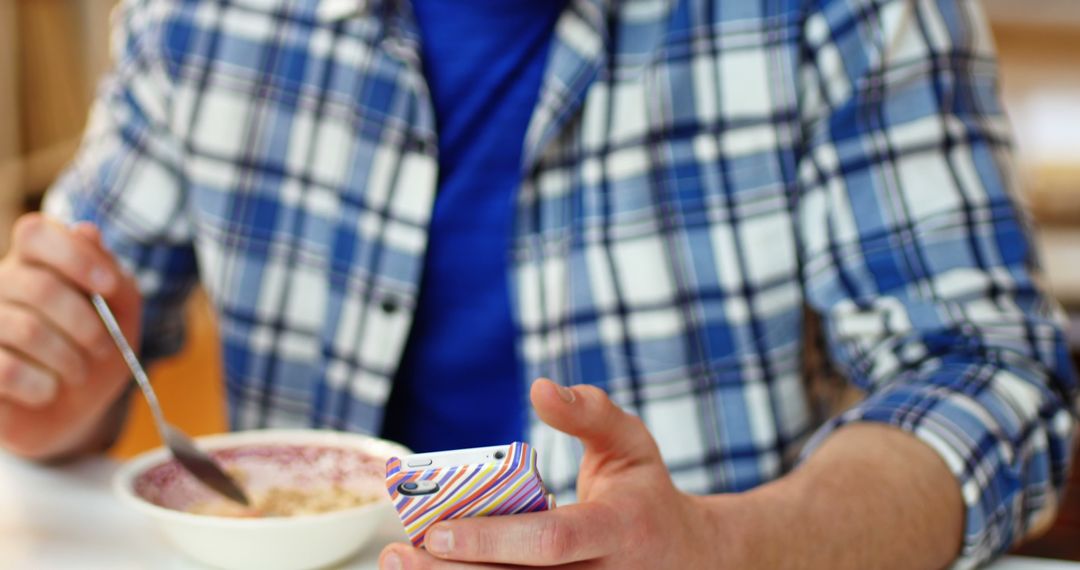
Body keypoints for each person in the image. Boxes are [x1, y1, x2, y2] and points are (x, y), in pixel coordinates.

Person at [0, 0, 1075, 568]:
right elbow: (83, 356)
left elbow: (996, 375)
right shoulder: (197, 13)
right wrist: (55, 385)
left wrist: (734, 550)